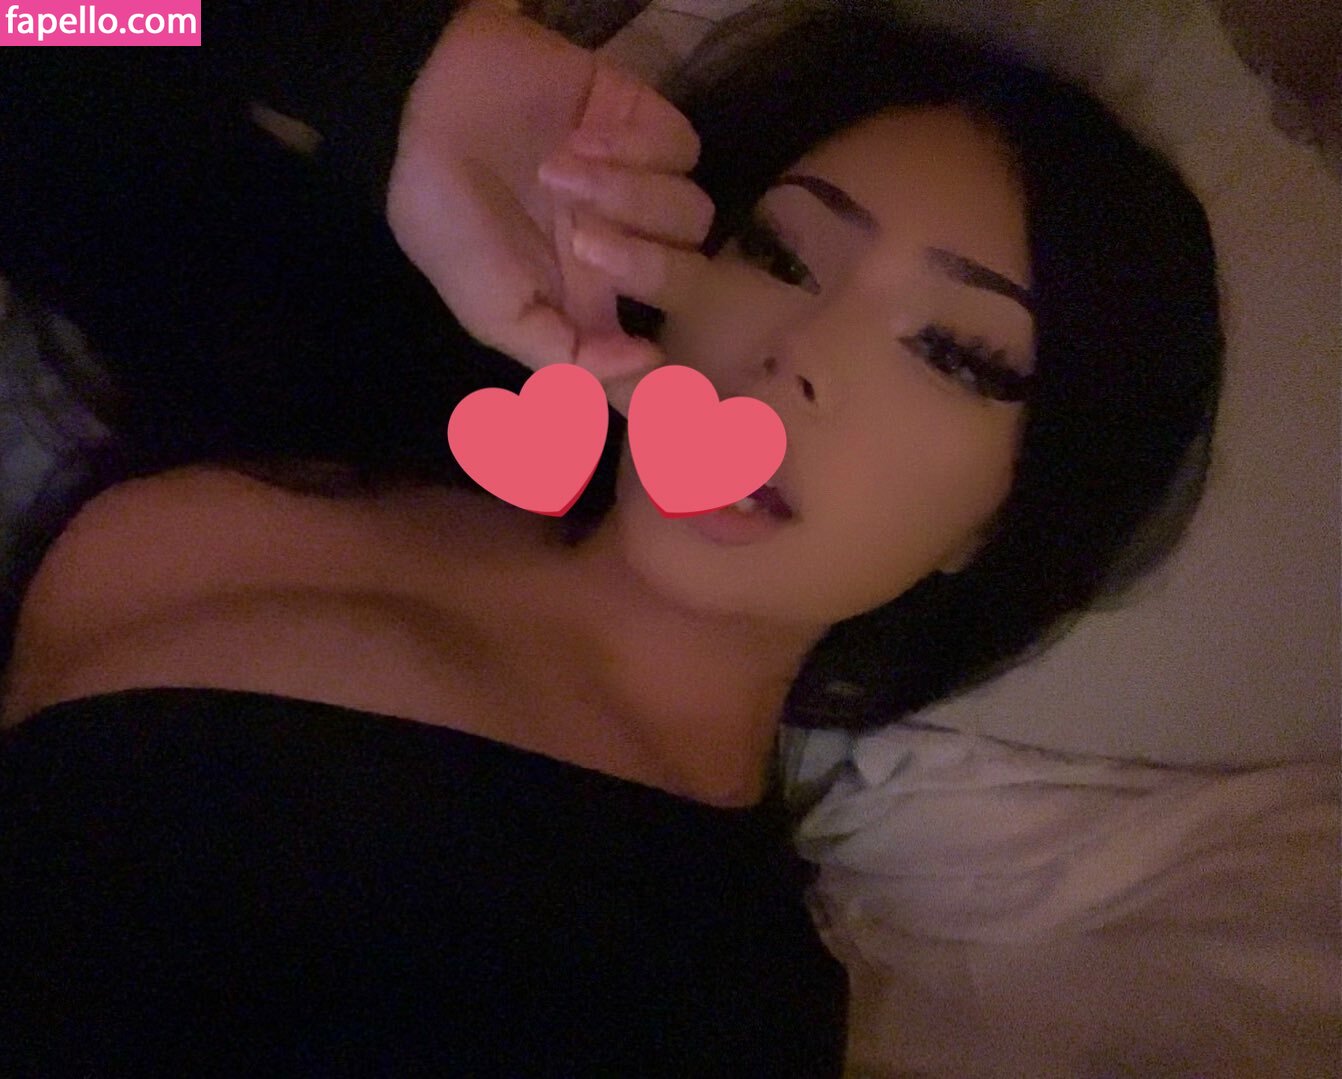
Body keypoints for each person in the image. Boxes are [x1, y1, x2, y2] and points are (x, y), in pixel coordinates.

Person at [0, 0, 1223, 1073]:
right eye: (780, 252)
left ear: (1010, 516)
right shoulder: (393, 371)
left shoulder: (700, 996)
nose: (798, 354)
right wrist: (386, 67)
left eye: (953, 354)